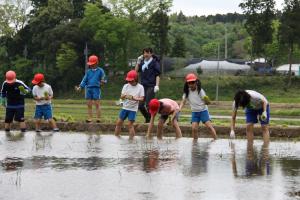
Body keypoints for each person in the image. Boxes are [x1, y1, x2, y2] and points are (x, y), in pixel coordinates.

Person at [179, 73, 217, 140]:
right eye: (189, 83)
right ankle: (195, 144)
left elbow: (207, 102)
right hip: (195, 112)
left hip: (203, 111)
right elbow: (183, 101)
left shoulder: (200, 90)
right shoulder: (187, 92)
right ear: (187, 83)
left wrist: (207, 101)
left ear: (196, 82)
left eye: (193, 82)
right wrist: (179, 109)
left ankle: (215, 140)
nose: (191, 84)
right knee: (194, 128)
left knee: (209, 127)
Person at [75, 55, 107, 123]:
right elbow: (84, 80)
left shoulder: (100, 71)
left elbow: (104, 79)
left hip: (96, 89)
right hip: (88, 89)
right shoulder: (88, 71)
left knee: (97, 104)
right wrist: (80, 87)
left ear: (96, 63)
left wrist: (103, 82)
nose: (91, 65)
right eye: (90, 64)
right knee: (89, 104)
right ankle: (90, 118)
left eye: (93, 64)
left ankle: (99, 118)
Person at [115, 70, 144, 139]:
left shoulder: (140, 87)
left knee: (130, 125)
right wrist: (125, 96)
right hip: (125, 108)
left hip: (133, 109)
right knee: (119, 123)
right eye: (129, 81)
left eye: (131, 81)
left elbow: (142, 99)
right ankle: (116, 138)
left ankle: (131, 140)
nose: (130, 82)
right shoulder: (126, 86)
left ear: (136, 79)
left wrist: (134, 98)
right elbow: (121, 96)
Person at [135, 48, 160, 123]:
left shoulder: (154, 62)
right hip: (143, 86)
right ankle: (148, 118)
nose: (146, 54)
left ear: (151, 54)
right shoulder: (142, 62)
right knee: (140, 105)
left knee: (149, 104)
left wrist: (157, 85)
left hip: (151, 85)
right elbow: (135, 72)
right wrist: (138, 62)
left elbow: (157, 75)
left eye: (147, 53)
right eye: (144, 53)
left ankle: (149, 121)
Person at [0, 70, 30, 134]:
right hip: (10, 104)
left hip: (19, 104)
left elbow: (28, 89)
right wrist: (3, 101)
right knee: (8, 119)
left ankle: (23, 133)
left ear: (15, 77)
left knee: (21, 119)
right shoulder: (5, 83)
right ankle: (7, 134)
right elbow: (3, 92)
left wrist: (24, 91)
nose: (10, 83)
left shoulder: (19, 82)